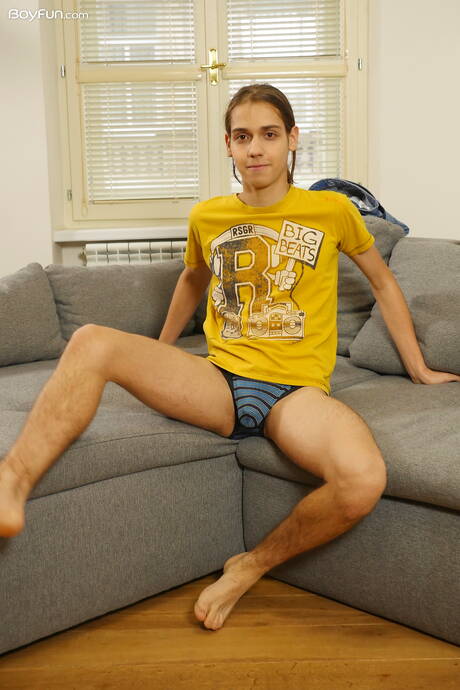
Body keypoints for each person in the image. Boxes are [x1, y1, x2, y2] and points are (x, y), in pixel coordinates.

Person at [0, 83, 458, 633]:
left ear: (292, 139)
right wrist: (161, 351)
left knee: (362, 479)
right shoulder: (208, 215)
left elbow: (383, 282)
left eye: (269, 134)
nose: (256, 148)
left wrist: (418, 367)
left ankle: (249, 566)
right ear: (228, 145)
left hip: (295, 394)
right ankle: (13, 481)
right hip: (217, 379)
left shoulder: (332, 210)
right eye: (243, 137)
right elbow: (192, 280)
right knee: (92, 340)